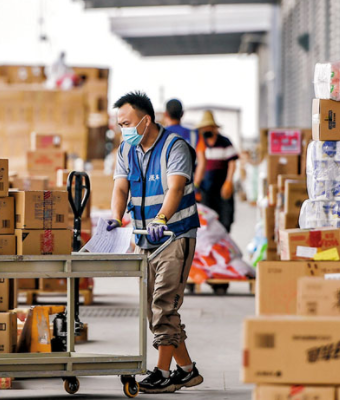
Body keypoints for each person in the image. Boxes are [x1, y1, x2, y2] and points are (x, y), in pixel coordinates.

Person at [108, 91, 203, 394]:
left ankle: (162, 373)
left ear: (145, 120)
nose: (123, 129)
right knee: (155, 311)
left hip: (174, 235)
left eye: (127, 123)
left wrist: (161, 219)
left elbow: (175, 188)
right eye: (119, 124)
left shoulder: (175, 148)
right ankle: (187, 370)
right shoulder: (126, 150)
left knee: (163, 306)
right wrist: (114, 217)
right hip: (143, 240)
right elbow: (121, 188)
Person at [194, 110, 238, 232]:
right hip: (206, 190)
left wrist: (229, 181)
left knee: (225, 220)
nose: (206, 131)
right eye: (204, 128)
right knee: (206, 221)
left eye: (208, 128)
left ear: (214, 128)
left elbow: (232, 163)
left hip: (222, 187)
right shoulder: (200, 144)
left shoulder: (225, 142)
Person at [163, 99, 206, 201]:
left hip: (164, 192)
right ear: (182, 114)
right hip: (189, 191)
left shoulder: (158, 135)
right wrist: (195, 184)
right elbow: (202, 162)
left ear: (166, 114)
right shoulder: (194, 134)